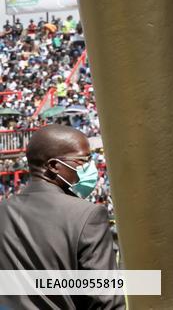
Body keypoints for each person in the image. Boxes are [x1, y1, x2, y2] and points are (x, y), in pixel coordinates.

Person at [0, 124, 122, 310]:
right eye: (83, 161)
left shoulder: (4, 210)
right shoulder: (88, 215)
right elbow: (105, 300)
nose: (91, 167)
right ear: (54, 166)